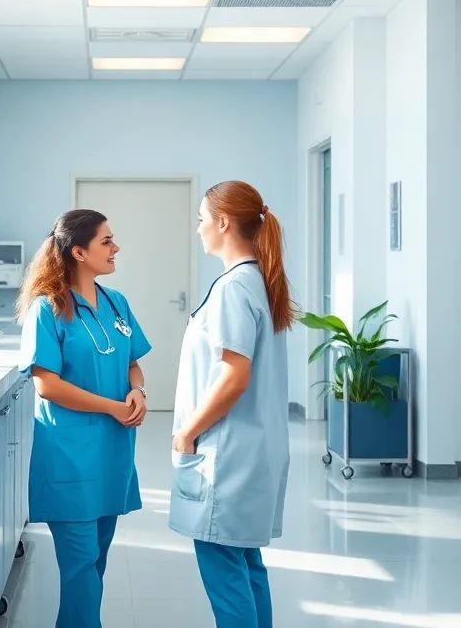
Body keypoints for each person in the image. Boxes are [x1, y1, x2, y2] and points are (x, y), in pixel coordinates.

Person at [16, 209, 151, 628]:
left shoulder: (117, 302)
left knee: (95, 565)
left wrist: (137, 391)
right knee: (80, 568)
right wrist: (114, 407)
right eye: (106, 241)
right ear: (78, 252)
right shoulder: (47, 309)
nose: (116, 248)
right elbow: (47, 385)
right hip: (69, 456)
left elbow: (133, 363)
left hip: (111, 453)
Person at [169, 181, 294, 628]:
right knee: (247, 564)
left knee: (223, 565)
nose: (199, 228)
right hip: (253, 447)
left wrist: (186, 432)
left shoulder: (234, 288)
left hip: (228, 452)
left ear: (223, 223)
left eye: (202, 219)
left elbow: (234, 376)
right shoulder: (257, 281)